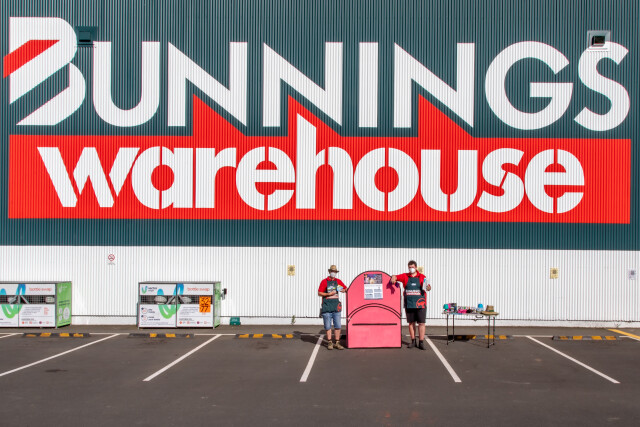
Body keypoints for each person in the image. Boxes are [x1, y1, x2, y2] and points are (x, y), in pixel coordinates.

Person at [390, 260, 432, 350]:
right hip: (409, 303)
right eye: (409, 267)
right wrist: (393, 277)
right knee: (411, 323)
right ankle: (413, 341)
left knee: (421, 323)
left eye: (412, 267)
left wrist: (429, 287)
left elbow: (428, 287)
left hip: (420, 304)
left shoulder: (422, 277)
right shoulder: (405, 276)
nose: (411, 269)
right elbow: (395, 276)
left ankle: (421, 342)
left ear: (416, 267)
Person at [318, 265, 347, 350]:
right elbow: (319, 293)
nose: (333, 273)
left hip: (336, 307)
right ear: (329, 272)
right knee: (328, 326)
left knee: (338, 325)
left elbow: (345, 289)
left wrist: (342, 289)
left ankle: (337, 342)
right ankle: (330, 342)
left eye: (334, 272)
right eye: (332, 271)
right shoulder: (324, 281)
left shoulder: (338, 281)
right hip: (327, 307)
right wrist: (328, 294)